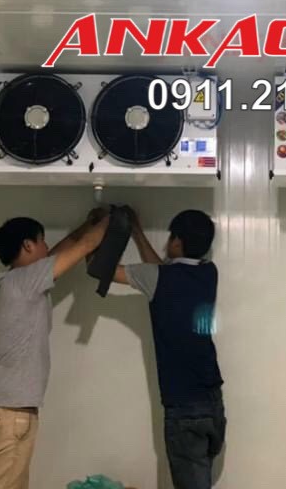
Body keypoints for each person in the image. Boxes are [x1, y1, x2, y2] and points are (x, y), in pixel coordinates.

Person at [0, 209, 110, 489]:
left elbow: (65, 249)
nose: (47, 247)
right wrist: (116, 217)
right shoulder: (25, 281)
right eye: (42, 241)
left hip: (8, 414)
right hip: (9, 416)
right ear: (28, 245)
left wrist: (88, 223)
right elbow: (85, 246)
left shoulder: (14, 282)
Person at [110, 208, 226, 489]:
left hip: (183, 407)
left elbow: (102, 271)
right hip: (212, 402)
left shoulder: (159, 278)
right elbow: (163, 272)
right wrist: (138, 233)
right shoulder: (209, 272)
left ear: (177, 241)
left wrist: (102, 232)